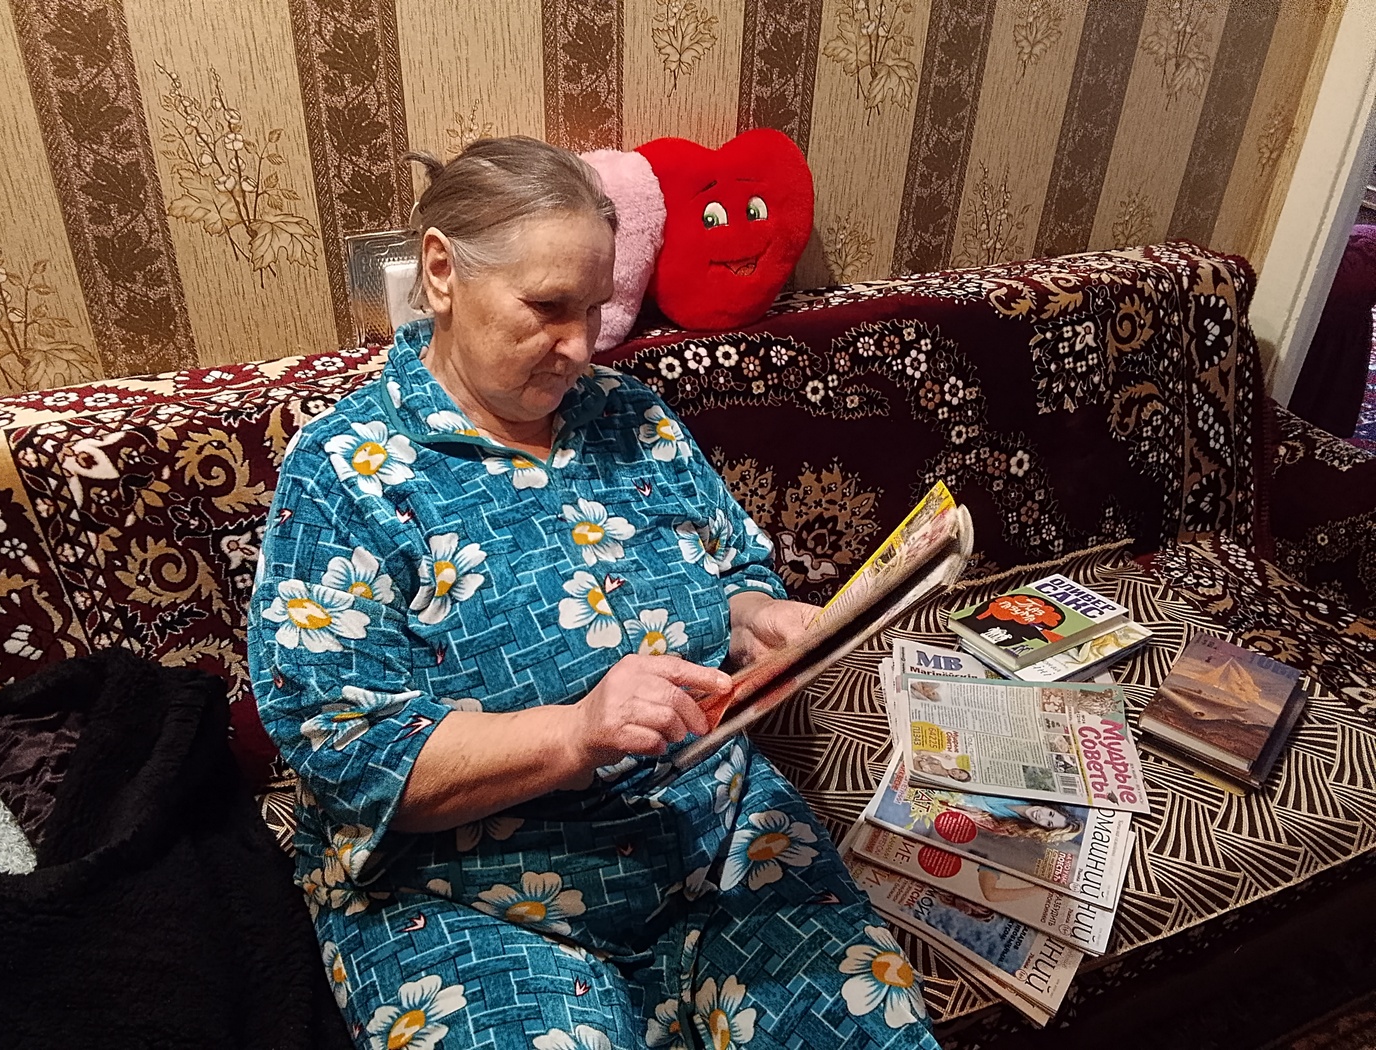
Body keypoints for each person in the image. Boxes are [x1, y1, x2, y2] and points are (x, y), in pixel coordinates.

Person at [248, 136, 939, 1050]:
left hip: (717, 838)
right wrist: (575, 733)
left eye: (596, 307)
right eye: (546, 308)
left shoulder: (631, 416)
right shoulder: (346, 472)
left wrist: (756, 617)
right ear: (442, 273)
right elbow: (346, 748)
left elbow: (731, 569)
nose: (581, 346)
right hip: (475, 898)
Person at [947, 795, 1084, 843]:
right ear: (1050, 807)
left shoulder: (1009, 827)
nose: (1041, 816)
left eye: (1048, 823)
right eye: (1050, 814)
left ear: (1043, 828)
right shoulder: (1021, 794)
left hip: (950, 801)